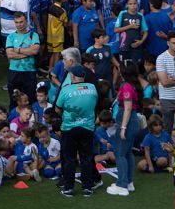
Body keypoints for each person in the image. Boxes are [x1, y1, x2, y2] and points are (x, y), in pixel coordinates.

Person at [55, 65, 99, 198]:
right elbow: (94, 104)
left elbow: (57, 109)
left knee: (69, 159)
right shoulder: (92, 88)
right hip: (87, 127)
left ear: (72, 76)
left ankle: (69, 188)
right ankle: (87, 187)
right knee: (86, 158)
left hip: (69, 128)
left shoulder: (66, 90)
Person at [107, 65, 141, 197]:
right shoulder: (132, 85)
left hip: (127, 121)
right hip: (131, 121)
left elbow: (127, 108)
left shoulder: (126, 86)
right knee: (128, 153)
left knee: (120, 154)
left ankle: (122, 185)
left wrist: (123, 128)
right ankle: (129, 182)